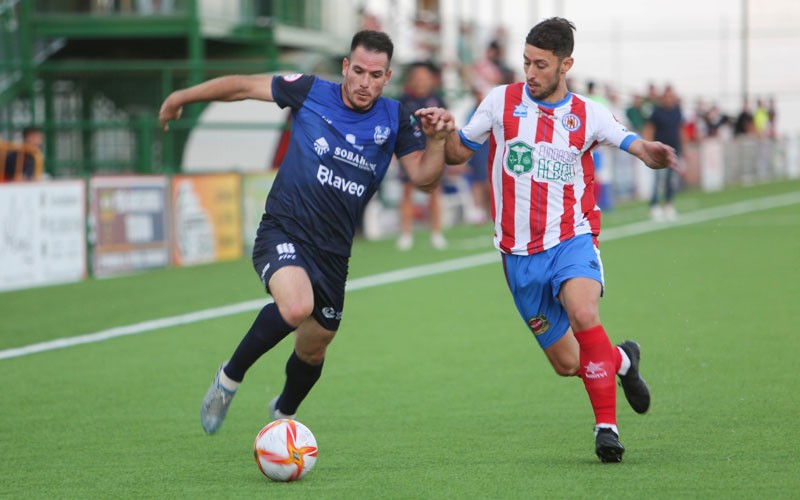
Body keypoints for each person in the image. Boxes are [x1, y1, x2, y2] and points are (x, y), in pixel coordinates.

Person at [159, 30, 454, 435]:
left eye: (375, 75)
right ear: (346, 68)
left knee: (313, 347)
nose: (364, 82)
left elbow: (423, 179)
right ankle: (228, 380)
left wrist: (437, 141)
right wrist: (180, 98)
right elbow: (243, 87)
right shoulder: (311, 91)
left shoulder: (395, 117)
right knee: (296, 306)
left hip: (334, 252)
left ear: (387, 78)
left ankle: (283, 412)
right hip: (284, 228)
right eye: (359, 71)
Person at [441, 17, 677, 463]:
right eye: (526, 62)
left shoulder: (587, 114)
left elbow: (632, 142)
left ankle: (606, 428)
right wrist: (442, 137)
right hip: (518, 256)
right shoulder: (500, 102)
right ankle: (623, 361)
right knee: (569, 363)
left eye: (541, 65)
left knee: (584, 312)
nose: (530, 73)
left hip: (572, 239)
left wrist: (652, 153)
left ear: (566, 64)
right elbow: (458, 153)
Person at [396, 62, 448, 250]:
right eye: (418, 77)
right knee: (407, 191)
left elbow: (445, 126)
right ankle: (406, 233)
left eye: (425, 77)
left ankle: (436, 232)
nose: (421, 80)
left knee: (434, 191)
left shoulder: (437, 100)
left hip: (432, 152)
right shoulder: (403, 100)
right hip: (409, 152)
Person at [643, 85, 685, 221]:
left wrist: (684, 147)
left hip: (674, 150)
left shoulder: (677, 111)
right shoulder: (657, 112)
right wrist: (647, 146)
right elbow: (650, 128)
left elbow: (680, 130)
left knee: (671, 180)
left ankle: (668, 204)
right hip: (659, 151)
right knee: (658, 179)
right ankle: (654, 205)